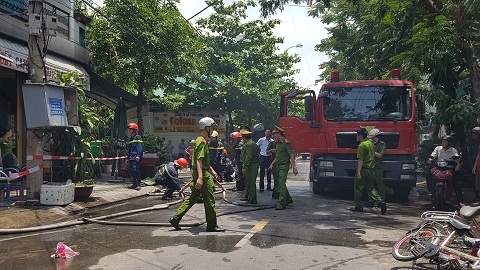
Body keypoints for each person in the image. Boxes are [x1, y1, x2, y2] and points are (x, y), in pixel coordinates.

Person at [169, 117, 225, 232]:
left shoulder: (199, 140)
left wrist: (212, 170)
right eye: (212, 127)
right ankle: (212, 225)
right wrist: (200, 177)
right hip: (202, 174)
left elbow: (202, 160)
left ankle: (176, 218)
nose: (213, 129)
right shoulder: (202, 141)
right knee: (209, 199)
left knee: (193, 197)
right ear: (207, 127)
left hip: (200, 171)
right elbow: (199, 160)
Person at [427, 135, 463, 206]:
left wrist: (458, 164)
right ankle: (430, 190)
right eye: (443, 141)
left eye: (445, 141)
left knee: (456, 181)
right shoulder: (438, 148)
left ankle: (460, 201)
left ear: (449, 143)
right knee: (428, 173)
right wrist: (430, 160)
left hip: (449, 168)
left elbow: (457, 158)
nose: (443, 142)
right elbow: (432, 156)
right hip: (438, 167)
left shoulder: (453, 150)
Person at [350, 128, 378, 212]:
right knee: (371, 188)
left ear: (360, 136)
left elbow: (360, 159)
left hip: (364, 170)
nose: (356, 137)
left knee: (358, 188)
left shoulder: (362, 145)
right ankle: (380, 201)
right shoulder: (371, 144)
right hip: (372, 170)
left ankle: (358, 206)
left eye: (357, 135)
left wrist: (358, 171)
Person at [269, 126, 297, 210]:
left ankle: (282, 203)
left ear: (279, 134)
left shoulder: (286, 143)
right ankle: (288, 199)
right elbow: (277, 156)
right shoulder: (277, 144)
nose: (273, 136)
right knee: (280, 184)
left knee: (281, 183)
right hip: (278, 165)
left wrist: (294, 167)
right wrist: (272, 164)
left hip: (284, 166)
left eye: (274, 134)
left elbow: (291, 155)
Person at [367, 128, 387, 214]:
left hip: (378, 167)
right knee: (370, 184)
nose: (372, 139)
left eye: (373, 137)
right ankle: (371, 200)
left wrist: (371, 151)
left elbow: (380, 155)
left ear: (377, 137)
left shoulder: (382, 145)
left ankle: (381, 201)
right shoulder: (370, 143)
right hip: (370, 166)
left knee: (379, 184)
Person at [240, 129, 260, 204]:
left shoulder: (249, 145)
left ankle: (252, 199)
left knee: (251, 183)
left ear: (244, 137)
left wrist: (245, 166)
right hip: (251, 165)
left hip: (251, 165)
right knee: (248, 182)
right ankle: (248, 196)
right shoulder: (252, 143)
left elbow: (249, 156)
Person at [126, 122, 143, 190]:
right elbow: (129, 149)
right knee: (132, 170)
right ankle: (134, 184)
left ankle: (138, 184)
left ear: (134, 130)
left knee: (135, 169)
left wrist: (138, 155)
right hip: (131, 157)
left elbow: (139, 147)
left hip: (135, 157)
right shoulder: (131, 138)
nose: (129, 130)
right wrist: (127, 158)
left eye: (130, 129)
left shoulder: (137, 137)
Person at [470, 127, 480, 199]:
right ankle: (476, 196)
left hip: (477, 164)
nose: (473, 135)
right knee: (474, 181)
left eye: (475, 133)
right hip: (474, 163)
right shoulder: (473, 143)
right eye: (473, 133)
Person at [473, 128, 480, 201]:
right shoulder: (475, 143)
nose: (473, 135)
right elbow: (478, 155)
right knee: (477, 185)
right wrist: (474, 166)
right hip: (478, 167)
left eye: (475, 133)